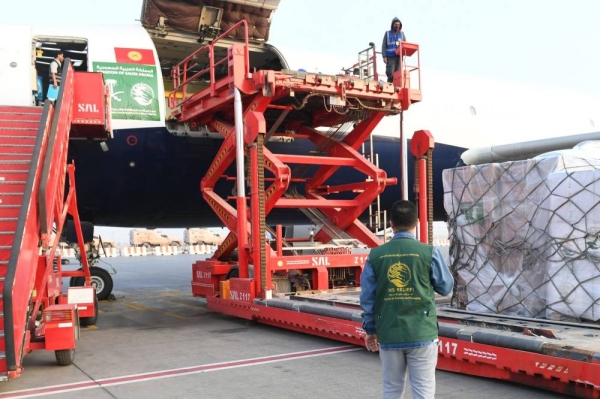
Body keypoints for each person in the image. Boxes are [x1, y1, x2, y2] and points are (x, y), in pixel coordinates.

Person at [360, 200, 454, 399]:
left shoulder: (375, 256)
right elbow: (446, 287)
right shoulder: (430, 252)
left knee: (392, 389)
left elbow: (368, 298)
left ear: (391, 224)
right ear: (417, 222)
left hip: (389, 332)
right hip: (422, 332)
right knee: (423, 391)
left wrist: (370, 331)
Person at [381, 17, 406, 83]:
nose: (397, 26)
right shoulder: (387, 34)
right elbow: (383, 46)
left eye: (398, 24)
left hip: (399, 57)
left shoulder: (402, 34)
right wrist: (384, 56)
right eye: (395, 24)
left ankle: (396, 87)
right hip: (390, 57)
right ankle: (389, 85)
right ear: (392, 25)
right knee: (390, 73)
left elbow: (405, 44)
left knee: (398, 74)